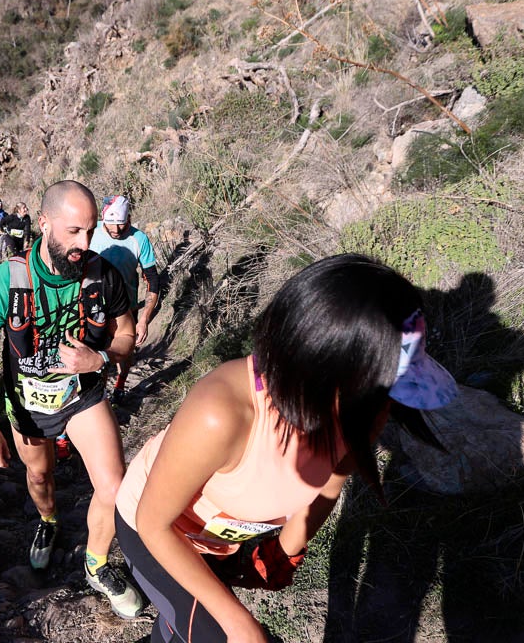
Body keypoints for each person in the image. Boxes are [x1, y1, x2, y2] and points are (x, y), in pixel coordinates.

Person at [113, 254, 457, 643]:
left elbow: (329, 485)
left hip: (222, 544)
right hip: (158, 532)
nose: (387, 412)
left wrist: (284, 552)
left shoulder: (354, 411)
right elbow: (153, 523)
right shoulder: (222, 413)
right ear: (325, 374)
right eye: (382, 393)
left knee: (184, 630)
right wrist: (242, 626)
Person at [0, 180, 144, 619]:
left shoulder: (103, 273)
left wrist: (97, 357)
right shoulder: (7, 281)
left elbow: (126, 334)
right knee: (40, 480)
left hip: (82, 394)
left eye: (89, 231)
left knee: (113, 485)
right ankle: (48, 523)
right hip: (27, 405)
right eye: (72, 232)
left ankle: (96, 563)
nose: (84, 243)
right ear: (43, 224)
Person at [89, 195, 161, 395]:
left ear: (128, 219)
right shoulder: (90, 232)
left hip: (126, 307)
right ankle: (98, 395)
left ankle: (120, 383)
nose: (117, 230)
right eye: (111, 226)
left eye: (122, 225)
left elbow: (152, 280)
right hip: (94, 306)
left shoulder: (139, 239)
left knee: (126, 350)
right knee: (98, 352)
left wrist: (144, 319)